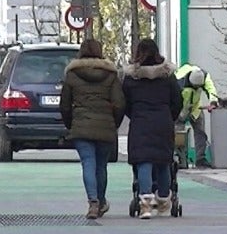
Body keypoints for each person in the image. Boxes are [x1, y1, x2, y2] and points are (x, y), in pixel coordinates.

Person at [61, 38, 125, 219]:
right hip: (105, 125)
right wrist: (114, 124)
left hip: (81, 125)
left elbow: (65, 105)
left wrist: (71, 124)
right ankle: (102, 200)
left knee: (88, 163)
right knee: (101, 166)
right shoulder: (110, 75)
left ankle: (93, 202)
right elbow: (119, 103)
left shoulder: (72, 75)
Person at [121, 39, 183, 219]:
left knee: (144, 161)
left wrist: (135, 114)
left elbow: (125, 102)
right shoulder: (167, 76)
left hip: (141, 122)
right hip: (163, 122)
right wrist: (168, 116)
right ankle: (164, 199)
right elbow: (177, 101)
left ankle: (146, 204)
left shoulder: (132, 77)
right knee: (163, 161)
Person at [175, 63, 218, 167]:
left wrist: (213, 102)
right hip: (180, 109)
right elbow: (173, 98)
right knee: (178, 134)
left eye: (199, 87)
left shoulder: (203, 76)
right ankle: (179, 157)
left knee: (200, 133)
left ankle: (200, 159)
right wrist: (178, 113)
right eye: (195, 87)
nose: (197, 88)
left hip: (195, 108)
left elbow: (210, 89)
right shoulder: (178, 81)